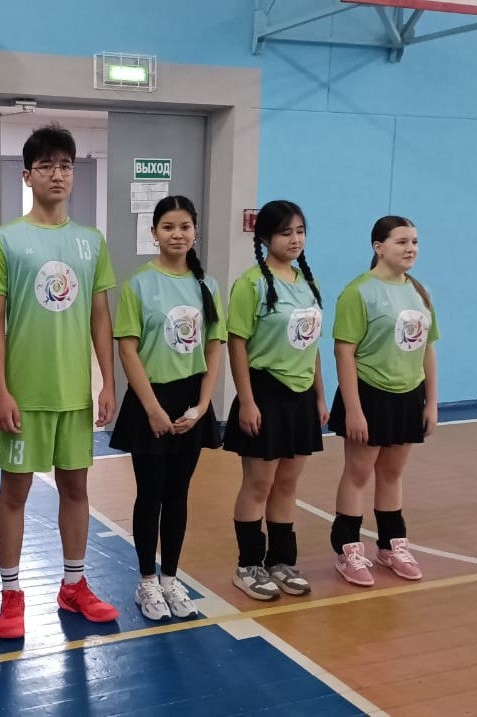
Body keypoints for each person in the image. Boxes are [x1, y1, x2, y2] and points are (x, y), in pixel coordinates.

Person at [0, 123, 119, 639]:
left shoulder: (91, 242)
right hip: (24, 394)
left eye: (65, 166)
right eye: (46, 166)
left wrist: (107, 382)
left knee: (75, 488)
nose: (57, 174)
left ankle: (73, 585)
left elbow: (100, 316)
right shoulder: (4, 240)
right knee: (13, 492)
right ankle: (11, 594)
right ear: (28, 175)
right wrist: (0, 389)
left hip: (73, 394)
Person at [110, 196, 226, 621]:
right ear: (154, 233)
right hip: (151, 401)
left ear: (195, 231)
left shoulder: (208, 285)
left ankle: (172, 579)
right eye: (168, 227)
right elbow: (128, 349)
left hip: (191, 402)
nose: (178, 234)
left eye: (185, 227)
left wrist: (203, 405)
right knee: (151, 494)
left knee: (179, 495)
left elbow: (214, 346)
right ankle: (147, 581)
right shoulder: (139, 284)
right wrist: (153, 409)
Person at [223, 200, 327, 601]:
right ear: (265, 238)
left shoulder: (308, 283)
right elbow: (237, 344)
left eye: (300, 231)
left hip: (301, 398)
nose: (295, 239)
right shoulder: (250, 284)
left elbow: (312, 346)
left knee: (287, 483)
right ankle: (248, 565)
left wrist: (319, 396)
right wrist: (247, 401)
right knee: (259, 484)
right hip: (265, 392)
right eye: (286, 233)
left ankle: (281, 561)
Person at [328, 216, 438, 586]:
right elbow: (344, 352)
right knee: (358, 473)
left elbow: (427, 349)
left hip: (408, 394)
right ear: (379, 247)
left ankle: (391, 545)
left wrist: (431, 402)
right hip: (369, 394)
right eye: (402, 242)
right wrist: (354, 409)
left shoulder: (421, 292)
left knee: (392, 473)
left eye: (415, 242)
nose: (411, 249)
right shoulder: (358, 292)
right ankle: (347, 549)